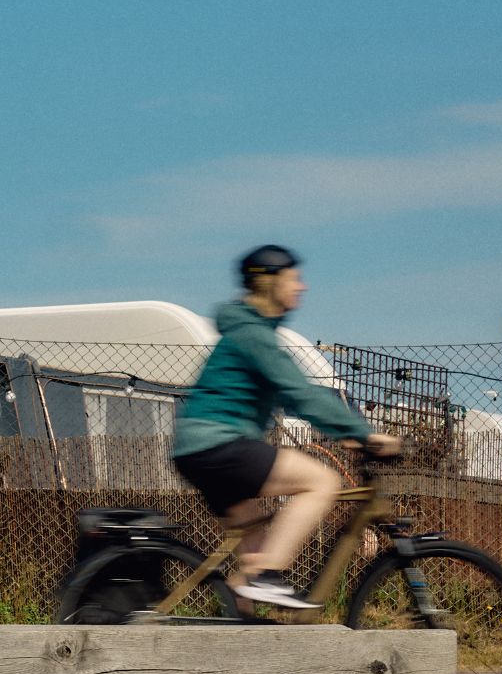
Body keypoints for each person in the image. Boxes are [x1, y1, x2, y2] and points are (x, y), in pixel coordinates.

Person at [170, 245, 401, 610]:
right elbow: (301, 393)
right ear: (269, 282)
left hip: (200, 449)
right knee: (321, 482)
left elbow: (293, 396)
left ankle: (240, 625)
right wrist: (364, 434)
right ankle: (268, 578)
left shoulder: (250, 333)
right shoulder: (254, 336)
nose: (302, 286)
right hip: (218, 444)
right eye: (294, 278)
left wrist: (345, 432)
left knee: (251, 560)